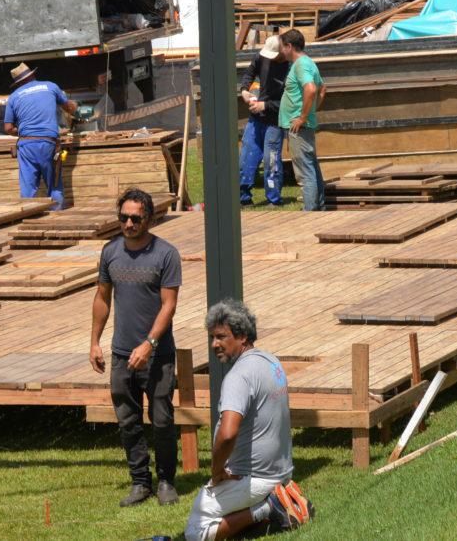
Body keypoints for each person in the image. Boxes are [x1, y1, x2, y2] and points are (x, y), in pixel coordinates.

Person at [183, 300, 309, 541]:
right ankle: (280, 499)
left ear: (242, 337)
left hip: (255, 478)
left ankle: (270, 507)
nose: (214, 344)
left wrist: (217, 470)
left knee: (195, 531)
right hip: (282, 472)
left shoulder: (238, 377)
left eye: (221, 337)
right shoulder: (272, 363)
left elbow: (228, 434)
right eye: (212, 337)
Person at [90, 187, 183, 508]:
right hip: (120, 354)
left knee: (162, 421)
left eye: (135, 218)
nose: (128, 223)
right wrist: (94, 342)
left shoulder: (166, 254)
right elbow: (102, 298)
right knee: (128, 421)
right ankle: (140, 482)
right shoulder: (110, 252)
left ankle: (167, 481)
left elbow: (168, 306)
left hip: (157, 356)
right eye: (123, 217)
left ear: (149, 219)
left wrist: (149, 343)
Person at [4, 62, 78, 208]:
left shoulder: (13, 97)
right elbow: (69, 108)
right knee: (54, 184)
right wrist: (74, 106)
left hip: (26, 145)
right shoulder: (51, 86)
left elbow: (8, 128)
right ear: (32, 74)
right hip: (48, 143)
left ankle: (27, 217)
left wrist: (26, 131)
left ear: (18, 82)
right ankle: (56, 217)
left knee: (28, 189)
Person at [276, 29, 325, 211]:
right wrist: (310, 112)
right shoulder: (309, 63)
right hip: (303, 125)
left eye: (283, 48)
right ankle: (318, 209)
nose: (282, 52)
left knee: (304, 173)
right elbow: (323, 90)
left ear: (289, 46)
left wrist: (303, 117)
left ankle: (310, 213)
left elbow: (312, 89)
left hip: (299, 127)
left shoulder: (300, 65)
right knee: (311, 168)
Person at [238, 37, 289, 207]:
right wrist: (245, 90)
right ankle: (243, 197)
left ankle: (273, 198)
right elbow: (250, 73)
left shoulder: (290, 68)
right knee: (246, 158)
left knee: (271, 160)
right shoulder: (261, 57)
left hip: (275, 122)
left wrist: (265, 105)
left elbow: (289, 103)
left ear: (281, 52)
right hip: (255, 120)